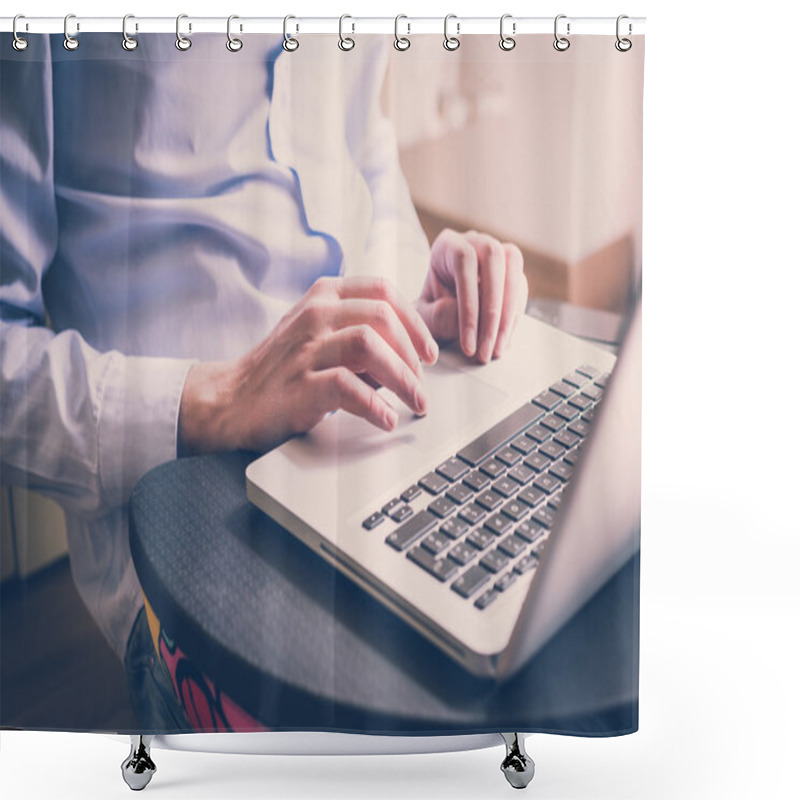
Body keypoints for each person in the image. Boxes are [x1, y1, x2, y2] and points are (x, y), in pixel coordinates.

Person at [0, 32, 527, 729]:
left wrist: (410, 299)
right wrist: (218, 397)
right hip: (191, 500)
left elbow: (365, 152)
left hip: (375, 440)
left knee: (536, 611)